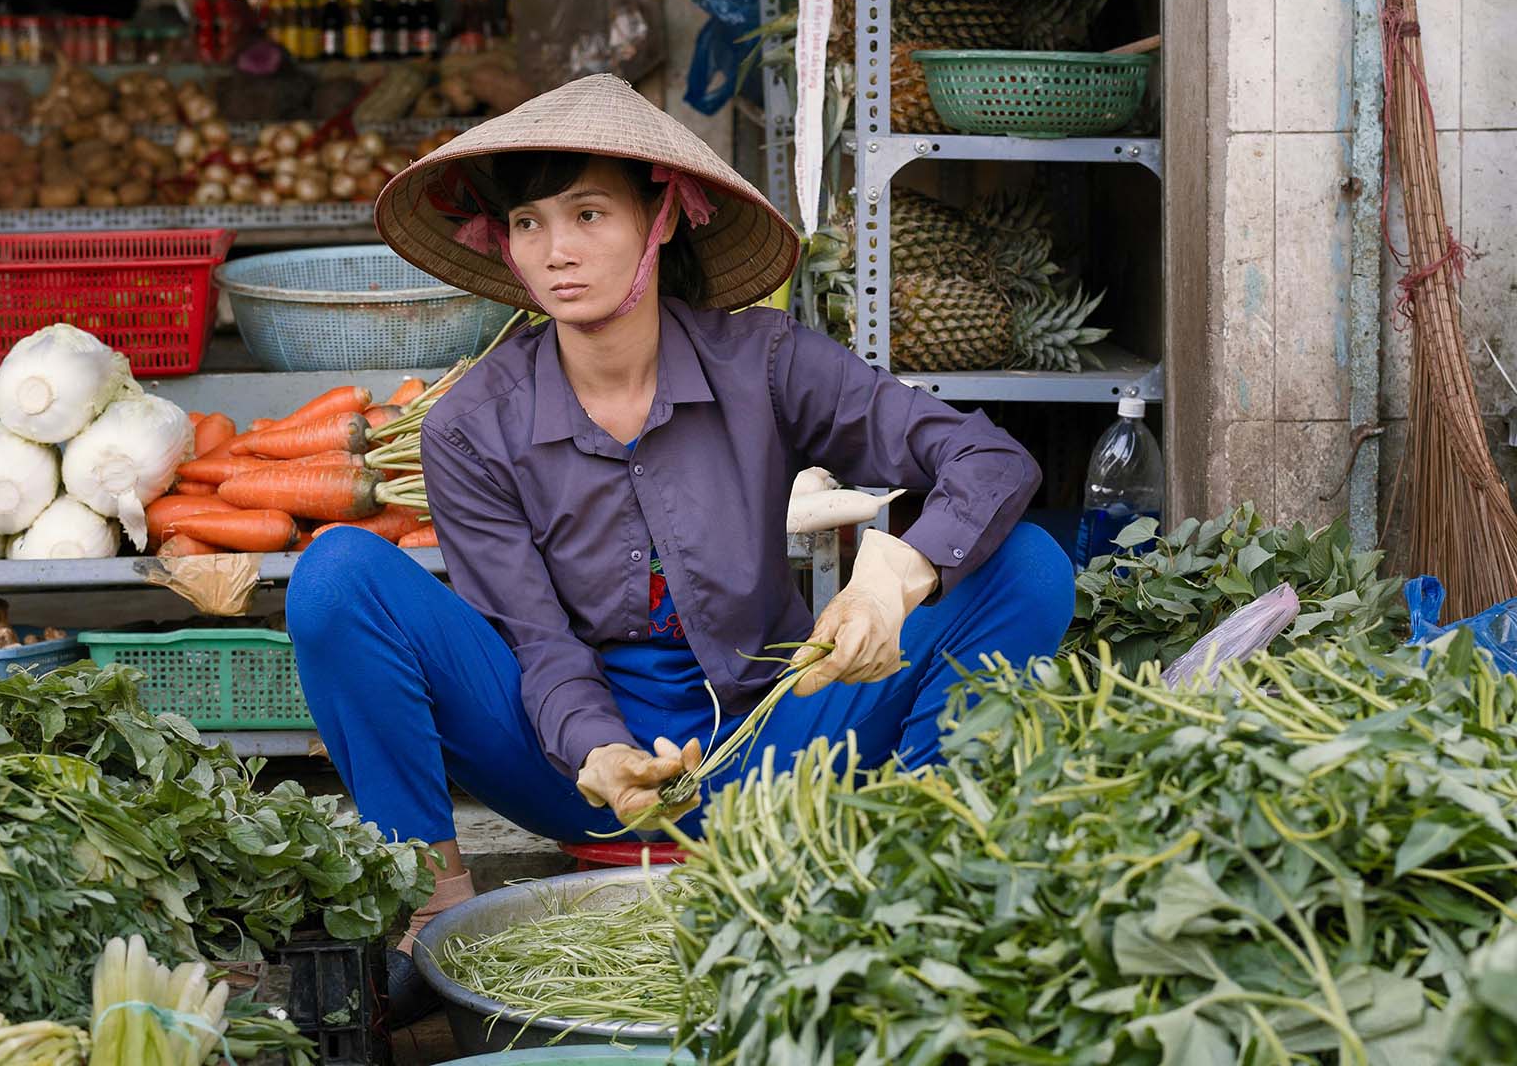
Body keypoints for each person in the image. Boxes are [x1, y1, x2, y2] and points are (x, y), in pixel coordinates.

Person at [286, 73, 1074, 1016]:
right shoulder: (471, 426)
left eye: (588, 213)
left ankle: (910, 869)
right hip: (571, 765)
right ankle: (429, 907)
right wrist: (602, 753)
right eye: (529, 224)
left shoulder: (767, 362)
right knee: (336, 575)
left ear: (660, 217)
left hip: (779, 740)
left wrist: (893, 577)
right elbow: (537, 647)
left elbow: (988, 459)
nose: (557, 252)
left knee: (1028, 565)